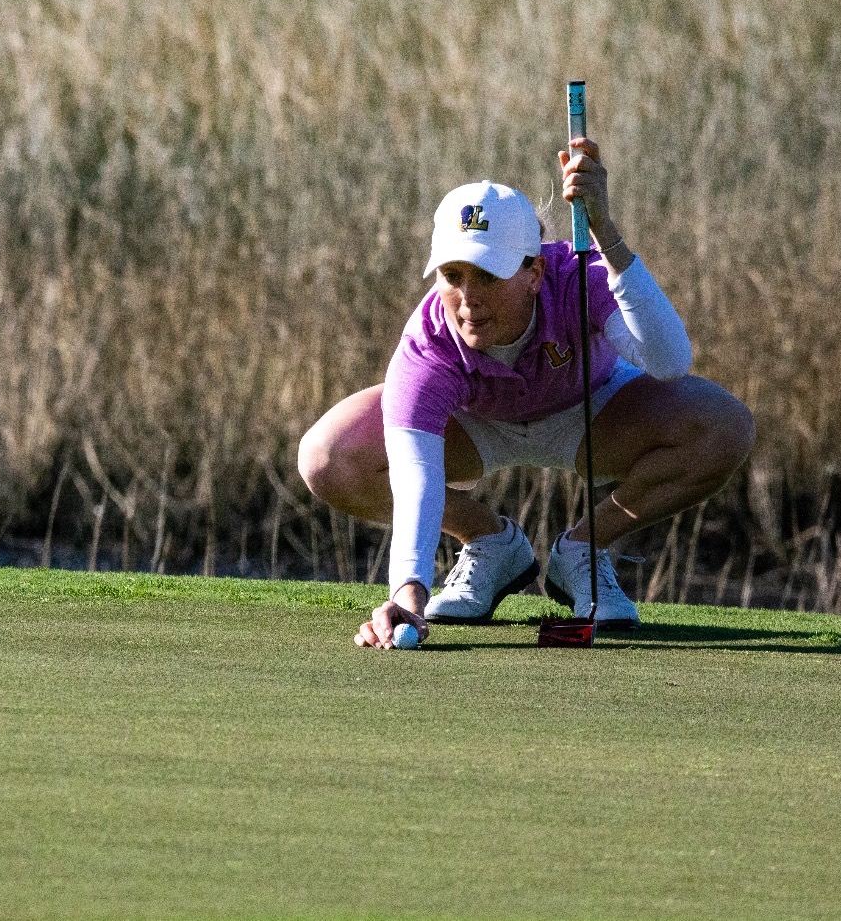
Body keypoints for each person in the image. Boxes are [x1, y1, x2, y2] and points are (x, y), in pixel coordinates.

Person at [297, 137, 755, 648]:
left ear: (533, 271)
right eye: (452, 275)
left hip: (592, 410)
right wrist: (408, 596)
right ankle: (490, 546)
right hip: (476, 426)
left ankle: (583, 551)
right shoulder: (427, 347)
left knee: (724, 424)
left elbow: (670, 361)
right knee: (326, 456)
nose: (467, 300)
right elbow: (416, 478)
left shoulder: (579, 276)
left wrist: (606, 233)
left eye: (488, 277)